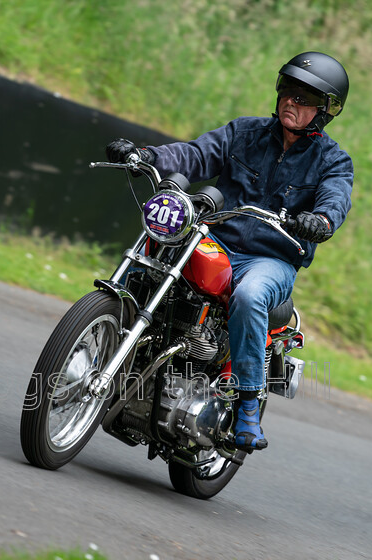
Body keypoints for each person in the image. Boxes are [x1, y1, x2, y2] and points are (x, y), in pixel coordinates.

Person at [106, 52, 353, 451]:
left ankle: (247, 407)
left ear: (325, 111)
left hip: (271, 258)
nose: (292, 101)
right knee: (160, 247)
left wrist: (320, 221)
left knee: (251, 295)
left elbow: (335, 202)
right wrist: (148, 156)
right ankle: (125, 344)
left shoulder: (333, 162)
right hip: (215, 238)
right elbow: (196, 153)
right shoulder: (245, 133)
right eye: (288, 90)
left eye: (305, 98)